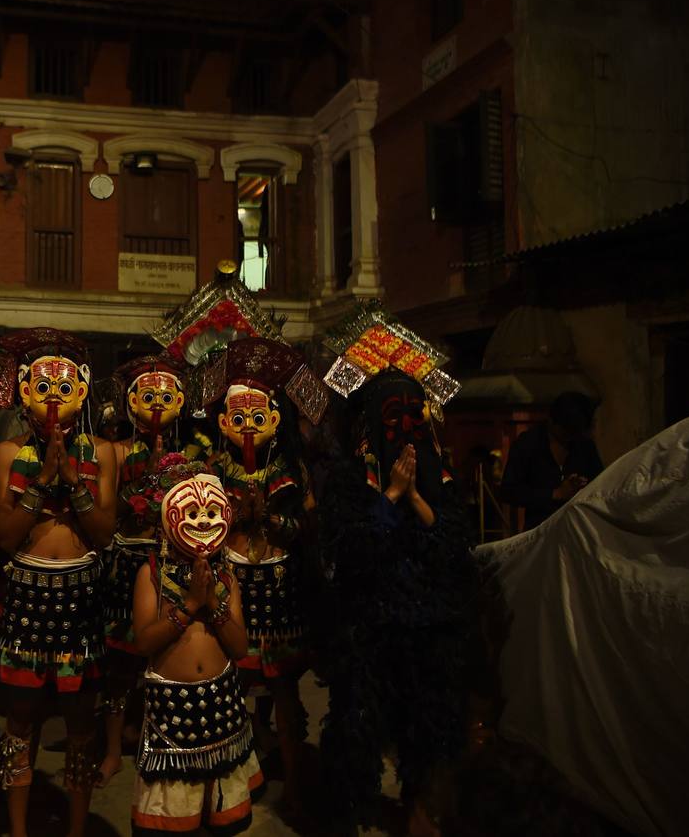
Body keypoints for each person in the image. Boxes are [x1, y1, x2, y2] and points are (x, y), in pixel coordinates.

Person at [317, 316, 478, 836]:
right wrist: (388, 498)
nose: (405, 432)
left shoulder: (443, 479)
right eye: (392, 420)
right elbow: (353, 549)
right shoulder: (348, 479)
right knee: (356, 728)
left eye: (415, 418)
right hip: (369, 627)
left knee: (429, 733)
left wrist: (416, 499)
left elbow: (454, 547)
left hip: (431, 627)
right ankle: (348, 812)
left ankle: (419, 811)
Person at [0, 328, 117, 837]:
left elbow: (104, 535)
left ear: (82, 389)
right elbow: (7, 537)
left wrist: (75, 488)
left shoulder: (102, 453)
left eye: (66, 386)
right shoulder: (7, 453)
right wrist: (42, 484)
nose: (55, 396)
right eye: (44, 385)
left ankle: (77, 829)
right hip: (27, 597)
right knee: (20, 725)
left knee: (81, 725)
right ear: (24, 389)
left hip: (80, 598)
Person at [204, 337, 316, 821]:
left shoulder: (291, 469)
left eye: (258, 416)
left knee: (285, 691)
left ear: (274, 419)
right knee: (226, 690)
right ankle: (229, 786)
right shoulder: (212, 469)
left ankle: (293, 781)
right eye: (238, 418)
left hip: (276, 583)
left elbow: (306, 528)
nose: (248, 427)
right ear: (224, 423)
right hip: (231, 578)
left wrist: (271, 522)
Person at [129, 457, 262, 836]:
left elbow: (239, 648)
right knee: (172, 823)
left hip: (221, 706)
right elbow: (143, 643)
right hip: (172, 715)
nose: (203, 521)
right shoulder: (150, 574)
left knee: (222, 821)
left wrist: (213, 604)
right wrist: (189, 605)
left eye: (210, 511)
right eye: (191, 511)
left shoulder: (227, 577)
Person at [99, 356, 188, 786]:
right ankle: (115, 748)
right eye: (148, 396)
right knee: (120, 664)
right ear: (132, 403)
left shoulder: (189, 455)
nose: (156, 404)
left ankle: (160, 740)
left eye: (165, 396)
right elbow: (110, 509)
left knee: (164, 655)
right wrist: (144, 483)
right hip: (128, 557)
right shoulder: (116, 452)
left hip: (170, 561)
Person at [500, 391, 604, 530]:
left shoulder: (584, 445)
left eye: (575, 432)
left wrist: (581, 487)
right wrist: (554, 494)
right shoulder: (529, 444)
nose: (570, 436)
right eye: (566, 431)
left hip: (578, 531)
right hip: (541, 534)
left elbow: (600, 484)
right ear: (552, 421)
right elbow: (509, 491)